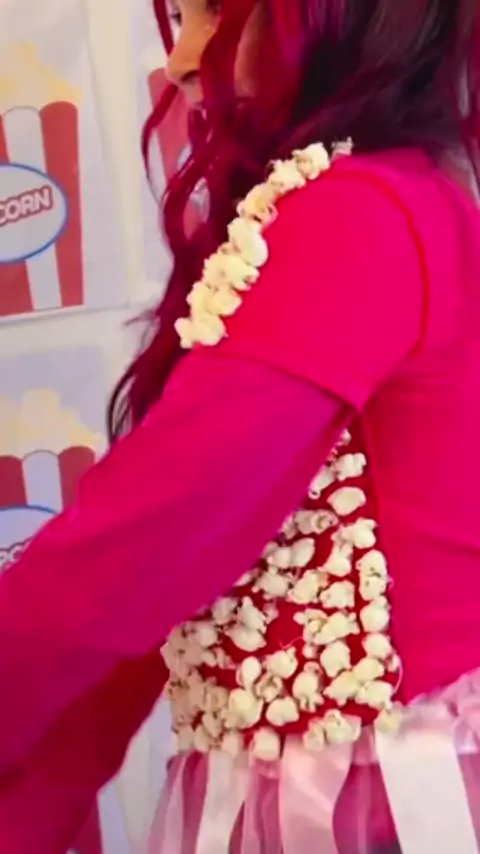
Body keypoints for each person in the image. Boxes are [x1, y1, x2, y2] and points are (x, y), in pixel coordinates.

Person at [1, 0, 480, 851]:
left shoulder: (360, 211)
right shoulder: (373, 202)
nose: (181, 60)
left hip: (382, 808)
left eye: (215, 11)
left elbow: (132, 561)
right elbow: (156, 587)